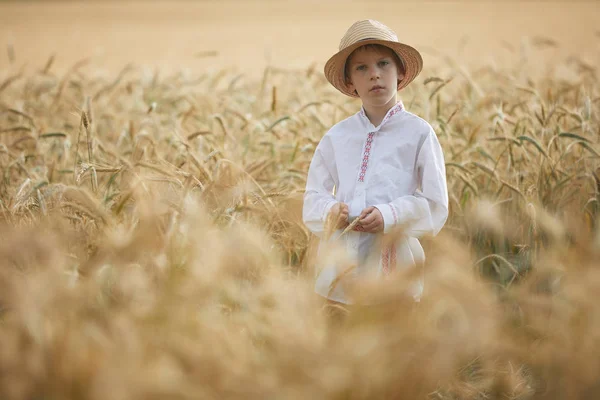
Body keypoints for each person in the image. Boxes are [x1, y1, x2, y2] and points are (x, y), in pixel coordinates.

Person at [303, 20, 449, 307]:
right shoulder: (336, 137)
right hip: (339, 276)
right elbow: (312, 198)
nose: (374, 75)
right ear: (349, 83)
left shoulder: (419, 134)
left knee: (395, 347)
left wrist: (389, 215)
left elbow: (436, 204)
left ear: (401, 73)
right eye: (361, 68)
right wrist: (332, 211)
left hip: (396, 276)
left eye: (383, 64)